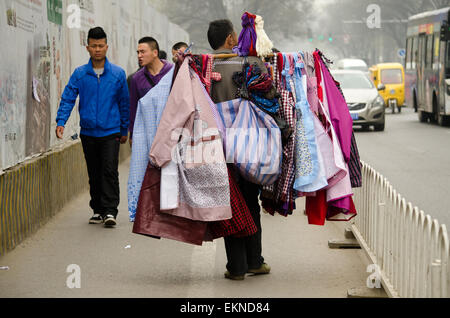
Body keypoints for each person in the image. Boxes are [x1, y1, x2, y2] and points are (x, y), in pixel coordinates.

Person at [207, 19, 271, 280]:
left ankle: (236, 267)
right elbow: (270, 96)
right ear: (231, 39)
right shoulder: (252, 64)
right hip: (249, 144)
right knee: (250, 200)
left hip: (217, 146)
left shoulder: (202, 66)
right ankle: (255, 261)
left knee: (229, 204)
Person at [55, 27, 130, 227]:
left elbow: (124, 104)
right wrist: (60, 121)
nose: (97, 49)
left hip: (110, 131)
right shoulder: (80, 74)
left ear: (107, 47)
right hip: (88, 132)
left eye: (101, 46)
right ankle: (97, 209)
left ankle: (110, 211)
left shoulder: (117, 74)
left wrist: (124, 130)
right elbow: (68, 97)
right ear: (87, 47)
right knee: (94, 172)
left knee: (109, 170)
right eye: (94, 46)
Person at [128, 37, 173, 146]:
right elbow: (134, 108)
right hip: (146, 133)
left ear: (155, 52)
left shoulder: (172, 72)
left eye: (143, 52)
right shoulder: (136, 79)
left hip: (170, 132)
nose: (139, 56)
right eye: (138, 52)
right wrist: (132, 134)